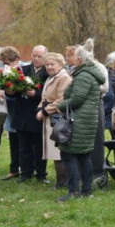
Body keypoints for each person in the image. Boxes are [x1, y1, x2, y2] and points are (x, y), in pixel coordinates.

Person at [55, 42, 104, 201]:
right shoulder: (90, 73)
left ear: (79, 60)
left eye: (74, 57)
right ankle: (87, 191)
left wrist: (60, 105)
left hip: (79, 121)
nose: (72, 59)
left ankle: (74, 192)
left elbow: (77, 99)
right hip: (87, 121)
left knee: (68, 155)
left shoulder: (83, 75)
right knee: (84, 156)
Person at [8, 45, 48, 183]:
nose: (36, 59)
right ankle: (25, 173)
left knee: (39, 147)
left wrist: (35, 94)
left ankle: (41, 174)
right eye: (34, 56)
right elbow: (13, 94)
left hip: (38, 114)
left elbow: (51, 93)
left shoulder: (48, 73)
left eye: (40, 56)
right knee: (23, 146)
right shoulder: (22, 71)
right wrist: (10, 91)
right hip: (22, 113)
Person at [37, 52, 72, 188]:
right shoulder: (51, 77)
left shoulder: (63, 78)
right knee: (53, 151)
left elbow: (61, 99)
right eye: (47, 65)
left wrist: (44, 111)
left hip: (58, 117)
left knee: (58, 151)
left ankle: (63, 181)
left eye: (52, 64)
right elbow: (45, 97)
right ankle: (60, 180)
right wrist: (38, 109)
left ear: (60, 64)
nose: (49, 67)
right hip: (49, 118)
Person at [0, 46, 23, 180]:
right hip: (11, 112)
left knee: (25, 143)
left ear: (16, 60)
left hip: (23, 112)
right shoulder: (4, 72)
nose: (5, 66)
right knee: (13, 141)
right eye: (4, 63)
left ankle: (26, 169)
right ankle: (14, 169)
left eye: (7, 63)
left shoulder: (23, 70)